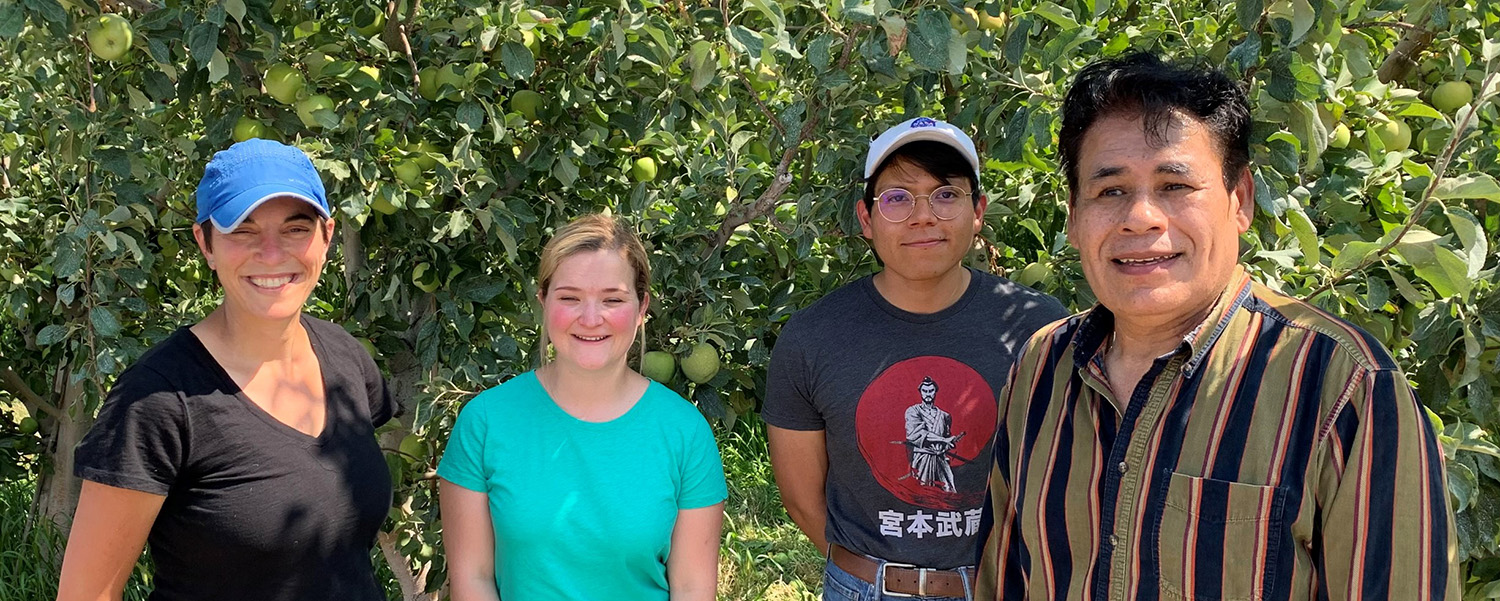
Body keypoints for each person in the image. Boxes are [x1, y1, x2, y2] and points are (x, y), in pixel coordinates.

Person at [975, 52, 1458, 600]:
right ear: (1074, 217)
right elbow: (1005, 577)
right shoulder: (1043, 368)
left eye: (1174, 186)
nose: (1141, 216)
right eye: (1110, 191)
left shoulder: (1342, 385)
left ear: (1241, 199)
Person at [57, 139, 398, 601]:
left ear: (327, 236)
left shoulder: (344, 358)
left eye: (296, 228)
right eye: (243, 230)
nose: (272, 254)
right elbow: (86, 594)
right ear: (206, 243)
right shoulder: (158, 399)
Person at [764, 117, 1068, 600]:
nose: (923, 215)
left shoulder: (1039, 326)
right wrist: (870, 574)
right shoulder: (813, 336)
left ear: (978, 211)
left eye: (946, 195)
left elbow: (1062, 475)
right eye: (897, 198)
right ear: (866, 218)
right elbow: (803, 502)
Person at [438, 214, 726, 601]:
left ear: (642, 307)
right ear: (543, 301)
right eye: (570, 297)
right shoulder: (485, 423)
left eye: (612, 299)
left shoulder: (685, 433)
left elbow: (692, 588)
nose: (591, 319)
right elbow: (473, 579)